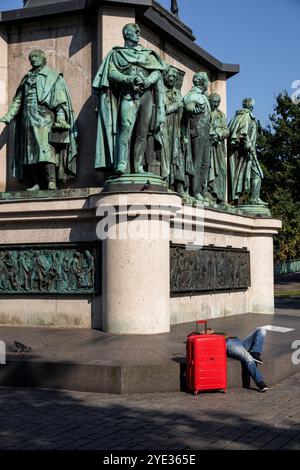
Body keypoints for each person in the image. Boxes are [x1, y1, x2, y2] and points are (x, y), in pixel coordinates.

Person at [92, 23, 166, 175]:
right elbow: (111, 73)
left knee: (142, 132)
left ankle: (138, 166)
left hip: (145, 95)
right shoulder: (117, 54)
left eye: (139, 31)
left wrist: (147, 81)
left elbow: (157, 72)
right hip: (127, 94)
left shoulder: (148, 54)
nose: (139, 33)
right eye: (135, 31)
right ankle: (121, 163)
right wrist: (128, 79)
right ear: (126, 34)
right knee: (125, 128)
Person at [0, 49, 77, 190]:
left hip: (45, 118)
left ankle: (51, 180)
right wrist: (8, 117)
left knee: (46, 150)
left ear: (43, 59)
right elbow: (18, 101)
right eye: (31, 57)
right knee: (30, 153)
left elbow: (60, 100)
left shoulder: (53, 77)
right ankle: (36, 182)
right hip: (27, 119)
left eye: (36, 57)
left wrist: (60, 118)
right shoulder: (27, 78)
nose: (33, 59)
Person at [202, 327, 269, 392]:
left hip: (238, 341)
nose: (209, 329)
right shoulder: (206, 337)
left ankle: (255, 352)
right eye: (206, 330)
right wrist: (203, 334)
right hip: (229, 344)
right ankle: (260, 382)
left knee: (261, 330)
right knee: (248, 358)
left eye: (209, 329)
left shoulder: (216, 333)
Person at [227, 98, 266, 206]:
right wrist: (248, 144)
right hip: (246, 152)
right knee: (257, 173)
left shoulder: (241, 115)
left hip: (247, 152)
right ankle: (254, 198)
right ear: (251, 106)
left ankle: (253, 198)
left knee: (252, 174)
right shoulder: (246, 115)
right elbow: (242, 133)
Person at [183, 72, 211, 202]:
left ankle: (202, 190)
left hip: (205, 134)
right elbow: (189, 106)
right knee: (197, 162)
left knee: (205, 164)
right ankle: (195, 191)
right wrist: (193, 110)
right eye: (207, 81)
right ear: (202, 82)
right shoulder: (194, 94)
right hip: (198, 133)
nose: (208, 83)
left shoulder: (203, 96)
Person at [208, 93, 229, 204]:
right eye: (214, 101)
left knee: (221, 170)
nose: (216, 104)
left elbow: (226, 130)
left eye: (218, 102)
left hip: (219, 146)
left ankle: (220, 197)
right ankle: (210, 193)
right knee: (209, 168)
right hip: (208, 144)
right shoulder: (206, 112)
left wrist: (217, 133)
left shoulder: (221, 115)